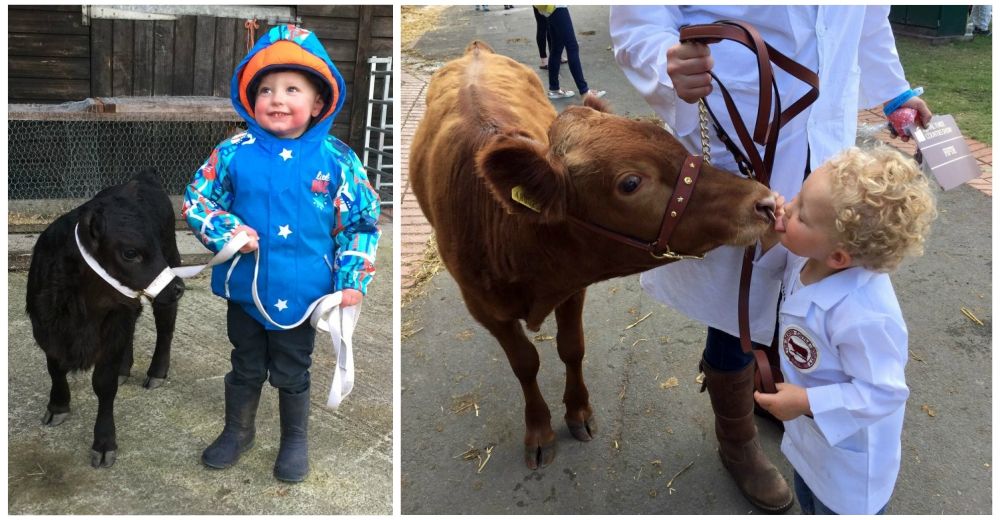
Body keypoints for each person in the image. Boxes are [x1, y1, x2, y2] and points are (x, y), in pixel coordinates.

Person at [610, 6, 931, 512]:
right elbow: (641, 18)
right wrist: (662, 63)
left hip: (826, 155)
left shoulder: (873, 313)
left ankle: (794, 390)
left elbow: (867, 17)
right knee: (738, 308)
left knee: (812, 296)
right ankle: (737, 440)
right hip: (737, 140)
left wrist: (895, 91)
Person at [183, 24, 381, 483]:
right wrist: (227, 230)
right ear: (250, 99)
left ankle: (295, 439)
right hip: (245, 291)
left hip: (305, 294)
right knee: (245, 363)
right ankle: (239, 430)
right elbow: (198, 198)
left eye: (292, 89)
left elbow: (361, 222)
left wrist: (352, 280)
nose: (277, 98)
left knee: (293, 369)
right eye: (266, 89)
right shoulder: (233, 152)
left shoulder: (338, 159)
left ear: (317, 103)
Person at [752, 146, 936, 514]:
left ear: (838, 257)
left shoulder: (865, 316)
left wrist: (806, 402)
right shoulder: (812, 258)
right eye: (799, 196)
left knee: (831, 506)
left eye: (802, 214)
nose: (787, 208)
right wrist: (776, 234)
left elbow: (884, 392)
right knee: (809, 493)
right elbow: (781, 268)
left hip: (849, 465)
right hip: (813, 441)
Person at [538, 6, 606, 100]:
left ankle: (554, 89)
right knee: (571, 46)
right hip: (557, 7)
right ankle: (584, 92)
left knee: (557, 47)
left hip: (548, 9)